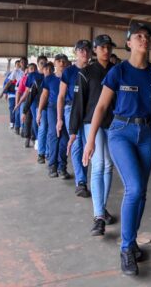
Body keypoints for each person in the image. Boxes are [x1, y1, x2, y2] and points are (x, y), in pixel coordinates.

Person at [84, 23, 151, 276]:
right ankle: (126, 248)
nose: (144, 39)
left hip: (148, 134)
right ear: (128, 43)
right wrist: (90, 140)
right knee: (133, 188)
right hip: (121, 132)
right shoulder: (119, 71)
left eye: (147, 36)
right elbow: (101, 107)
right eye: (138, 36)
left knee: (142, 192)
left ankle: (132, 241)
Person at [68, 35, 118, 231]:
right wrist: (73, 131)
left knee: (108, 165)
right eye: (102, 47)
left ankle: (101, 209)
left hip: (113, 123)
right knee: (98, 164)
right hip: (91, 123)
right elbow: (78, 103)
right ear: (95, 50)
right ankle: (98, 216)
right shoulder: (86, 73)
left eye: (109, 47)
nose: (106, 50)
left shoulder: (117, 70)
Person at [58, 40, 92, 197]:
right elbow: (61, 96)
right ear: (76, 52)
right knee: (77, 143)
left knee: (88, 143)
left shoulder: (93, 71)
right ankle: (81, 182)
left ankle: (83, 178)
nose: (84, 53)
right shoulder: (69, 72)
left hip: (89, 110)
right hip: (71, 109)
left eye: (87, 50)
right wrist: (59, 119)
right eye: (81, 50)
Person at [37, 61, 71, 179]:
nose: (62, 63)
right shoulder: (49, 79)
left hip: (67, 107)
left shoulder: (72, 76)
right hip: (52, 108)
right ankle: (52, 166)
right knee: (53, 135)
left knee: (65, 138)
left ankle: (62, 167)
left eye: (64, 61)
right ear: (55, 64)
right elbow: (44, 95)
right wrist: (39, 111)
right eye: (59, 61)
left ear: (68, 64)